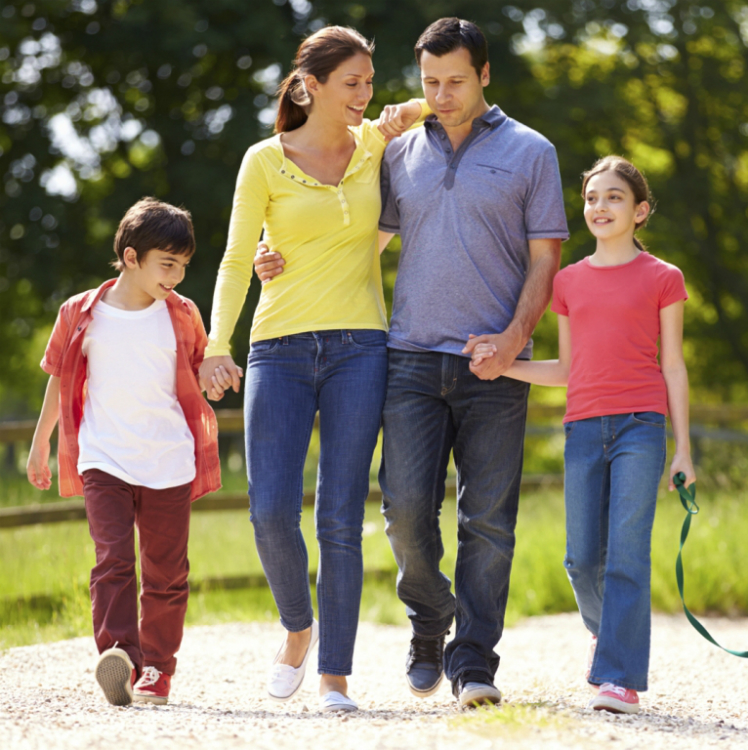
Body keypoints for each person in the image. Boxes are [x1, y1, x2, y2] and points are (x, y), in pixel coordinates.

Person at [253, 18, 569, 708]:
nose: (443, 94)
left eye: (456, 80)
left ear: (485, 75)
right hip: (409, 358)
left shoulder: (531, 152)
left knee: (488, 521)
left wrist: (515, 339)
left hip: (497, 365)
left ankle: (474, 662)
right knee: (402, 513)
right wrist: (274, 260)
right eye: (430, 82)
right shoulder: (396, 155)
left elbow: (547, 257)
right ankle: (430, 616)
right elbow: (360, 241)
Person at [198, 26, 427, 713]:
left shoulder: (375, 145)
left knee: (338, 518)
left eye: (370, 80)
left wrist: (403, 112)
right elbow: (239, 259)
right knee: (270, 511)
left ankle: (335, 677)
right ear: (311, 86)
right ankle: (298, 626)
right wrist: (217, 342)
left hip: (362, 347)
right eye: (352, 82)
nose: (366, 93)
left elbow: (441, 100)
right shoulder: (264, 160)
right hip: (279, 349)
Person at [472, 156, 696, 714]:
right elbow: (565, 371)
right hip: (582, 428)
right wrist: (505, 363)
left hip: (641, 429)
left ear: (640, 211)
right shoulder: (568, 282)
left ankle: (618, 678)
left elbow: (673, 366)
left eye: (614, 197)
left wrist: (683, 449)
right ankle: (608, 635)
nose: (600, 206)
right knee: (580, 559)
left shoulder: (664, 277)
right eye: (593, 197)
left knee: (626, 554)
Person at [26, 198, 221, 707]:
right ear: (132, 257)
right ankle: (119, 655)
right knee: (112, 559)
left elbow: (201, 369)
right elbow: (58, 380)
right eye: (168, 264)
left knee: (166, 571)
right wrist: (40, 444)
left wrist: (216, 375)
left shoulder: (182, 315)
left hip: (168, 460)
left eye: (183, 266)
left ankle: (156, 668)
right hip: (103, 457)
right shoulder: (81, 313)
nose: (176, 276)